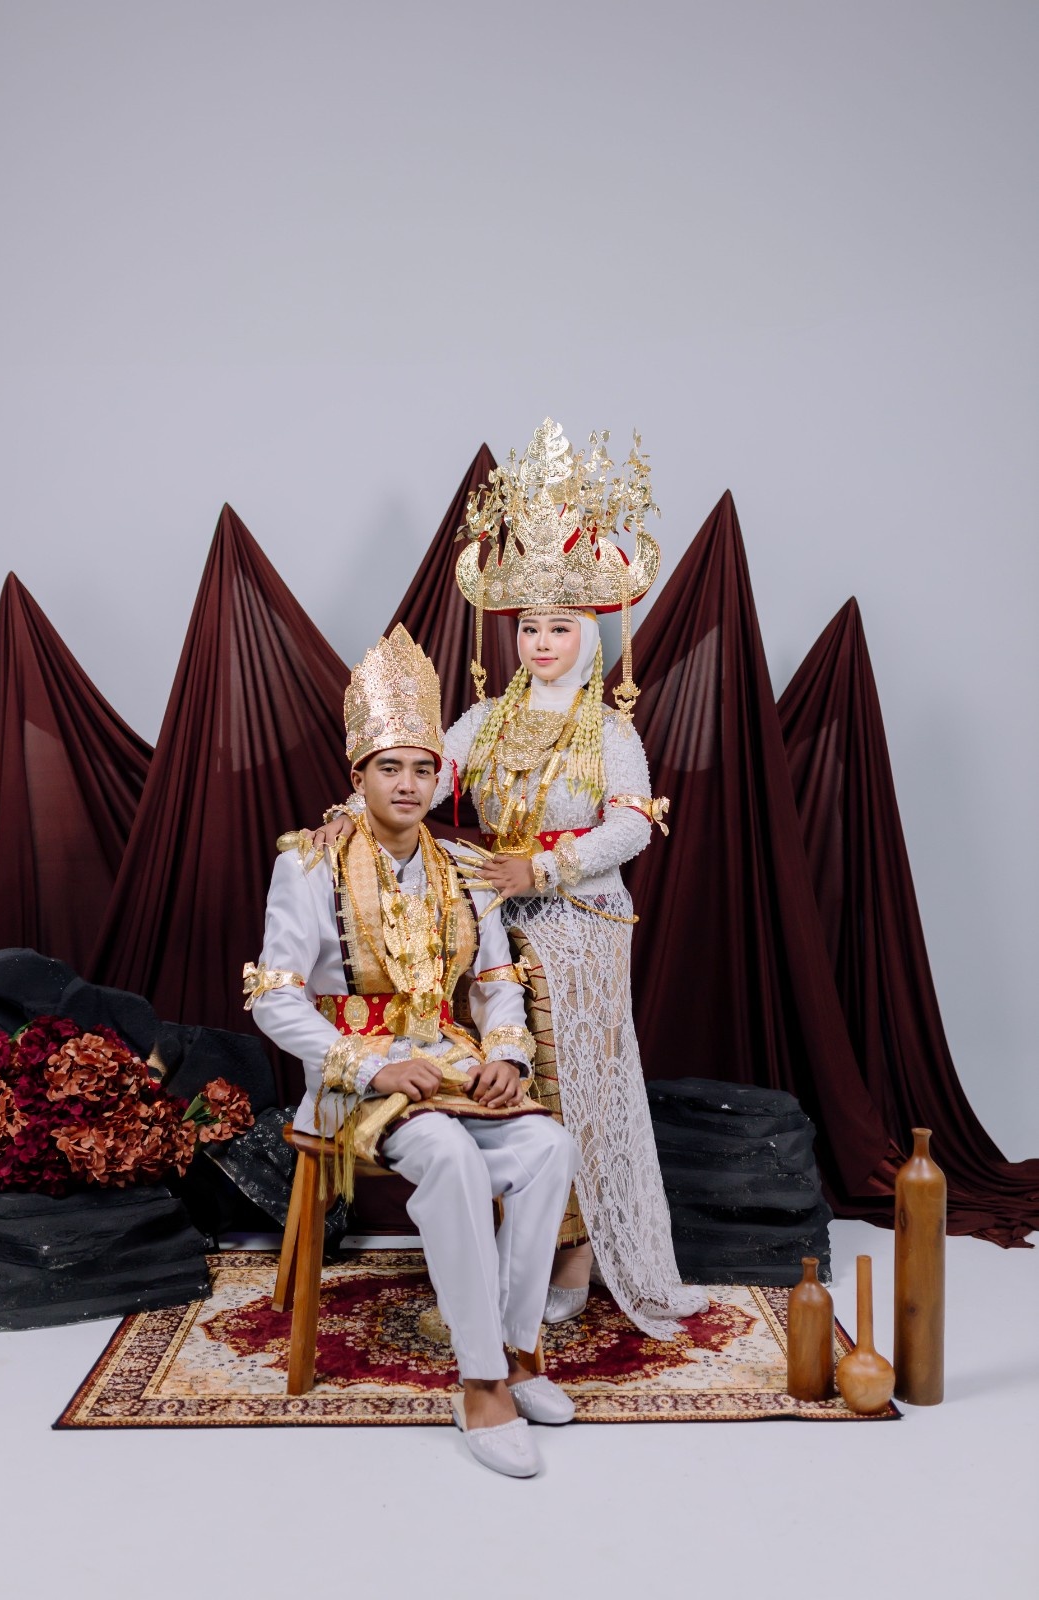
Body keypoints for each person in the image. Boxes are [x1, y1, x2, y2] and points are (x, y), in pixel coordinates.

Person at [312, 420, 708, 1339]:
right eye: (527, 626)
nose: (538, 641)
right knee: (498, 1082)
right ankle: (502, 1248)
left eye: (557, 627)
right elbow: (421, 777)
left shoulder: (607, 729)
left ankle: (573, 1257)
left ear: (589, 633)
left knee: (569, 1086)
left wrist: (546, 863)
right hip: (492, 922)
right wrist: (351, 809)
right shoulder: (484, 719)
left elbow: (632, 825)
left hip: (578, 927)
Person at [245, 624, 579, 1477]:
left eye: (421, 769)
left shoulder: (463, 866)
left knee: (549, 1147)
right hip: (353, 1078)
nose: (406, 784)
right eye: (388, 767)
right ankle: (480, 1384)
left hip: (454, 1064)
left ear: (440, 778)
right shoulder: (308, 865)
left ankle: (518, 1349)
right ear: (357, 775)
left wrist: (507, 1055)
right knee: (451, 1158)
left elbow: (496, 979)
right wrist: (372, 1064)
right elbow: (275, 997)